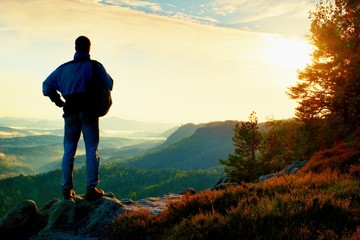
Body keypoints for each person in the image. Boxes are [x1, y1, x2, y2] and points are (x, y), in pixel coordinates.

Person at [42, 36, 113, 200]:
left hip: (70, 112)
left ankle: (67, 189)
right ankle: (91, 188)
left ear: (75, 48)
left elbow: (46, 86)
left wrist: (57, 100)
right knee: (91, 149)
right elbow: (109, 84)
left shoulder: (63, 69)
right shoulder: (95, 66)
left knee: (69, 150)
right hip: (89, 112)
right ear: (89, 48)